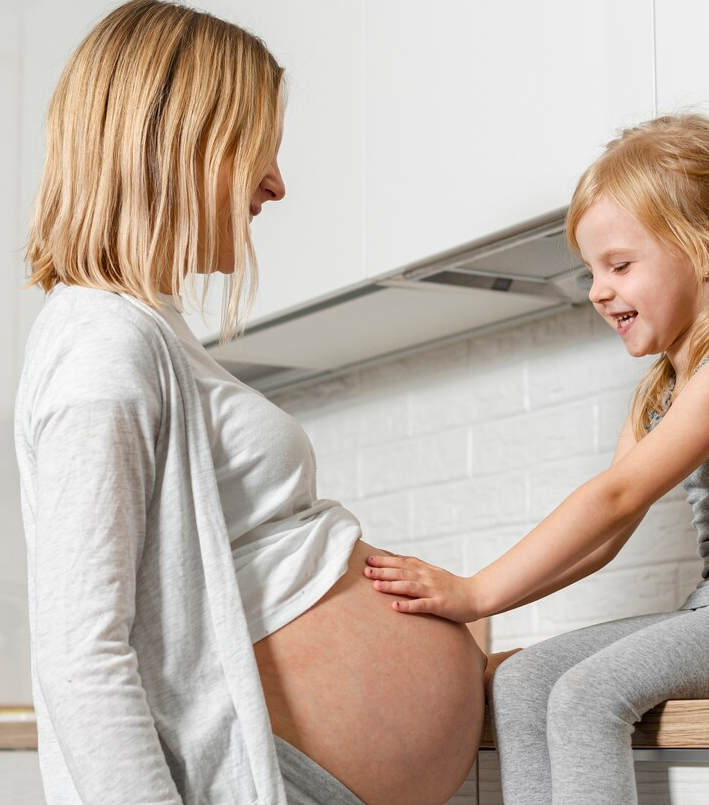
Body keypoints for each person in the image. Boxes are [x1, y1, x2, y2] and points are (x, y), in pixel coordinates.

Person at [15, 2, 487, 804]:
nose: (275, 181)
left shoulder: (146, 331)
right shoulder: (103, 341)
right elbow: (79, 655)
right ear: (175, 139)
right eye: (255, 143)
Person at [364, 113, 709, 805]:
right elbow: (607, 529)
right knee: (519, 680)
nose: (596, 290)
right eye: (589, 271)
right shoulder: (662, 390)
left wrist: (476, 592)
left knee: (588, 692)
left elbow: (615, 497)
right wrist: (473, 603)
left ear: (706, 252)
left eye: (618, 264)